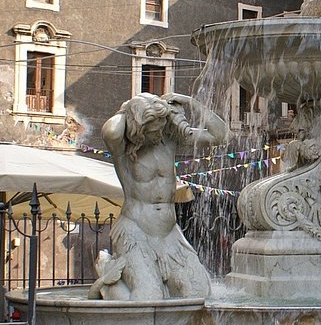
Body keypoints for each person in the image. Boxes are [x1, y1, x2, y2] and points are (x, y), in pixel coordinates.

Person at [90, 92, 228, 300]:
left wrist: (190, 102)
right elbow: (111, 130)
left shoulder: (169, 138)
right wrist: (131, 108)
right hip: (135, 231)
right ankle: (108, 279)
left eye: (160, 128)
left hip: (169, 235)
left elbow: (222, 135)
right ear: (138, 128)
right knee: (148, 297)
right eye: (153, 131)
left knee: (199, 293)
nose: (158, 135)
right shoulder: (124, 148)